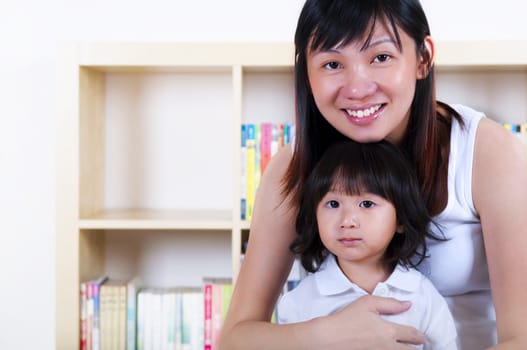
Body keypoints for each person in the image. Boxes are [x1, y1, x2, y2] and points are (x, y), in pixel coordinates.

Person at [220, 0, 527, 349]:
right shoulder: (293, 168)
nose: (357, 88)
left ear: (422, 58)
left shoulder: (489, 153)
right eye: (333, 63)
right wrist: (323, 333)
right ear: (305, 71)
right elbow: (235, 339)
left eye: (380, 57)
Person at [276, 140, 457, 350]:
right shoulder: (299, 301)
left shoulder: (423, 295)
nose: (347, 221)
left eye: (367, 204)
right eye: (333, 204)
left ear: (400, 219)